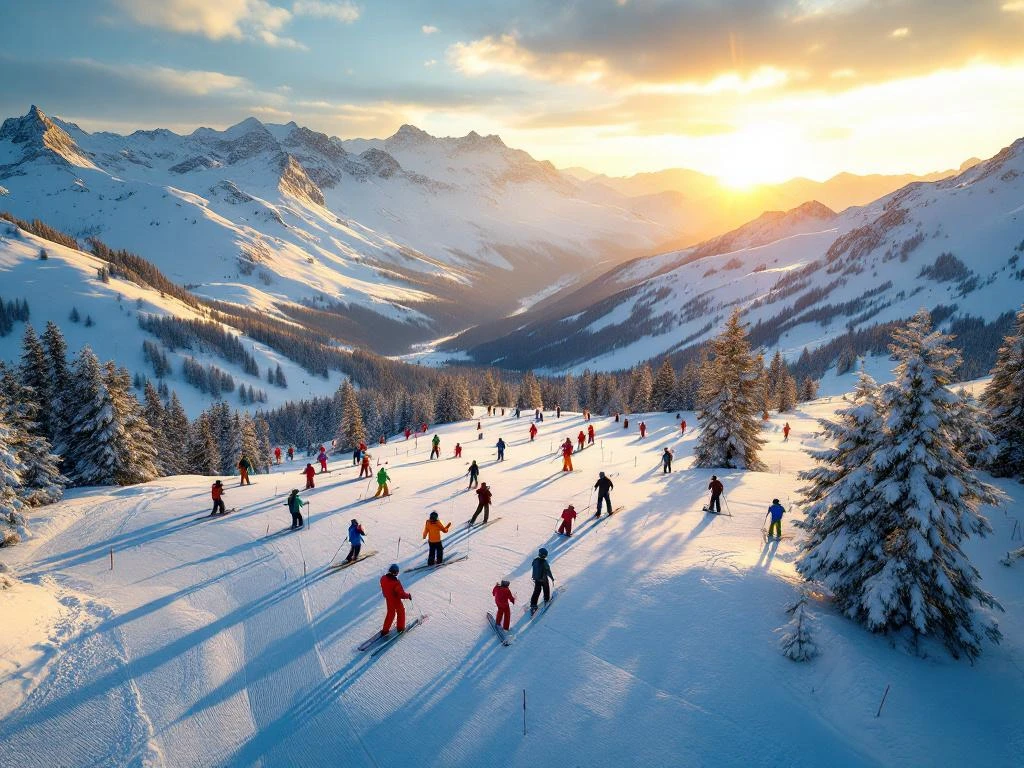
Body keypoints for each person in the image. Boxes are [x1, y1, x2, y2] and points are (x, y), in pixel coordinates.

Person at [380, 564, 412, 636]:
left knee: (390, 613)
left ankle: (385, 630)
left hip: (388, 599)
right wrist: (408, 596)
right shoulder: (396, 583)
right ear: (396, 573)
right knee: (401, 611)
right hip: (395, 600)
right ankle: (400, 628)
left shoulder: (383, 578)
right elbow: (401, 594)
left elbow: (384, 587)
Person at [530, 548, 554, 614]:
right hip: (543, 579)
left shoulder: (535, 560)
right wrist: (552, 578)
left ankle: (533, 604)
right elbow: (548, 571)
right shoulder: (545, 562)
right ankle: (546, 599)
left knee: (537, 591)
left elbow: (533, 566)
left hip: (537, 579)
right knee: (546, 588)